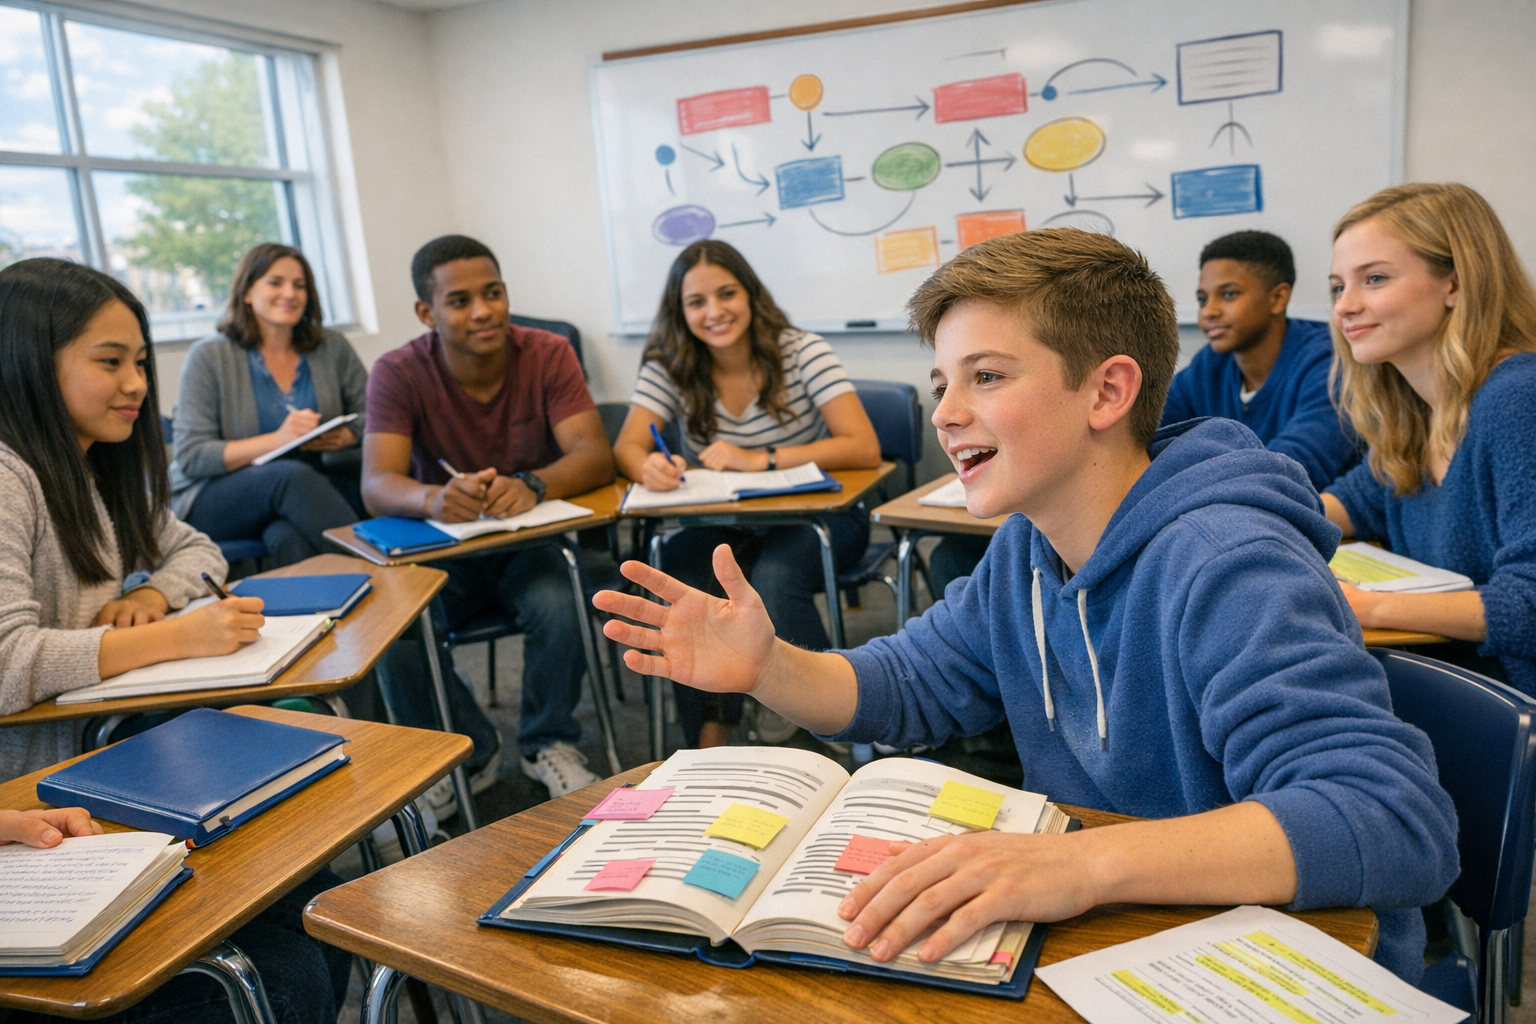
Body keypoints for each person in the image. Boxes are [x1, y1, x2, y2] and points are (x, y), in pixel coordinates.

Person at [595, 229, 1458, 983]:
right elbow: (910, 682)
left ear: (1108, 393)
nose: (948, 413)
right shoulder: (1028, 549)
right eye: (941, 384)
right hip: (1125, 935)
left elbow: (1393, 820)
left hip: (1270, 963)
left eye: (987, 376)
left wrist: (1080, 865)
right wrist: (769, 667)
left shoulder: (1227, 563)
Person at [0, 259, 350, 1023]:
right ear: (29, 361)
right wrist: (166, 635)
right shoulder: (6, 478)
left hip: (105, 760)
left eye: (139, 363)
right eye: (110, 362)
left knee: (322, 897)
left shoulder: (98, 470)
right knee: (290, 965)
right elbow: (5, 663)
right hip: (40, 805)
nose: (136, 384)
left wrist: (155, 591)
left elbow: (199, 550)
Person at [363, 235, 615, 798]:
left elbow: (594, 454)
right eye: (460, 301)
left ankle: (546, 741)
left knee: (559, 596)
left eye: (493, 293)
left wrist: (534, 483)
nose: (483, 311)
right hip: (441, 549)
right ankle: (461, 751)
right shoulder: (397, 371)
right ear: (427, 313)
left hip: (526, 544)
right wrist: (431, 498)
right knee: (394, 624)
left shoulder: (548, 352)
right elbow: (377, 483)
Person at [611, 240, 881, 748]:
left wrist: (765, 458)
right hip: (729, 527)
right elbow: (627, 445)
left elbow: (862, 446)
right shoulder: (670, 364)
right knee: (685, 576)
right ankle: (713, 728)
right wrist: (647, 465)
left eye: (727, 294)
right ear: (680, 311)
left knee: (776, 576)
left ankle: (830, 719)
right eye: (696, 302)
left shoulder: (802, 350)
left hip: (821, 522)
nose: (714, 312)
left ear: (751, 293)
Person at [1322, 182, 1536, 693]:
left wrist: (1369, 604)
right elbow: (1355, 500)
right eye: (1337, 287)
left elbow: (1529, 604)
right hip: (1468, 692)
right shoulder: (1418, 413)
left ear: (1456, 285)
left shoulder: (1517, 400)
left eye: (1373, 279)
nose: (1345, 307)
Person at [170, 243, 367, 567]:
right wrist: (279, 440)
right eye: (275, 282)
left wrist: (347, 436)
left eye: (299, 285)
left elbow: (374, 414)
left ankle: (323, 617)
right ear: (247, 292)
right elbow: (192, 456)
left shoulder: (332, 347)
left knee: (286, 537)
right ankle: (387, 579)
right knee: (289, 476)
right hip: (213, 497)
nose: (290, 293)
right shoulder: (208, 356)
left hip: (303, 499)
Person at [1161, 230, 1359, 490]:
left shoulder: (1329, 361)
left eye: (1229, 294)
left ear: (1278, 298)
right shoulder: (1209, 365)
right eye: (1202, 299)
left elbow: (1288, 470)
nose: (1209, 311)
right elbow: (1144, 433)